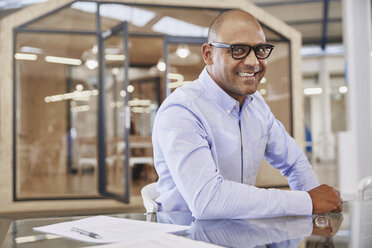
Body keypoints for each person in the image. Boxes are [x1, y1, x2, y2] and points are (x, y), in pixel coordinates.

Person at [152, 9, 343, 219]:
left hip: (238, 233)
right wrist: (307, 202)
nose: (253, 62)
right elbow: (208, 201)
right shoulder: (182, 111)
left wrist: (318, 214)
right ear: (208, 55)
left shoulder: (255, 105)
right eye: (238, 49)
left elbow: (294, 162)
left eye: (260, 50)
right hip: (187, 236)